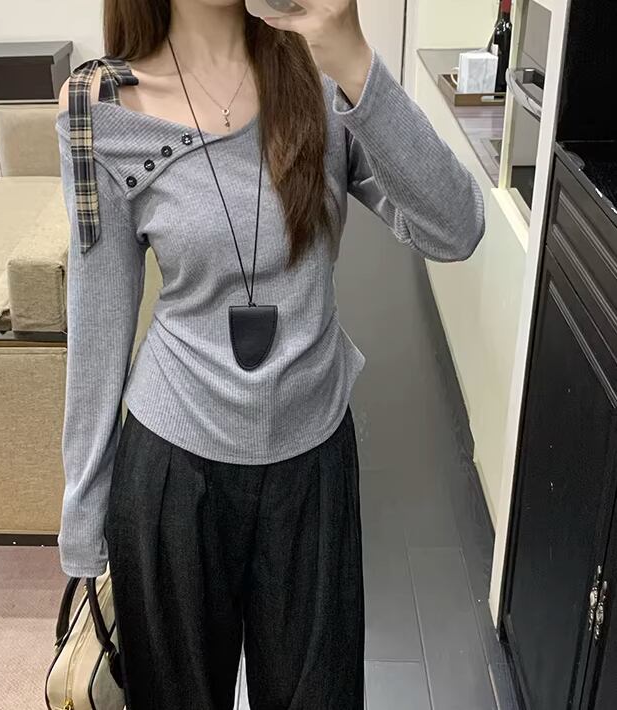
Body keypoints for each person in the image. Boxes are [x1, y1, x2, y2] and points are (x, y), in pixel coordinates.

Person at [55, 0, 485, 707]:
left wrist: (354, 59)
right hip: (172, 473)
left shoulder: (321, 81)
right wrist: (82, 521)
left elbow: (457, 227)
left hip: (313, 463)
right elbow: (98, 325)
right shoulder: (101, 109)